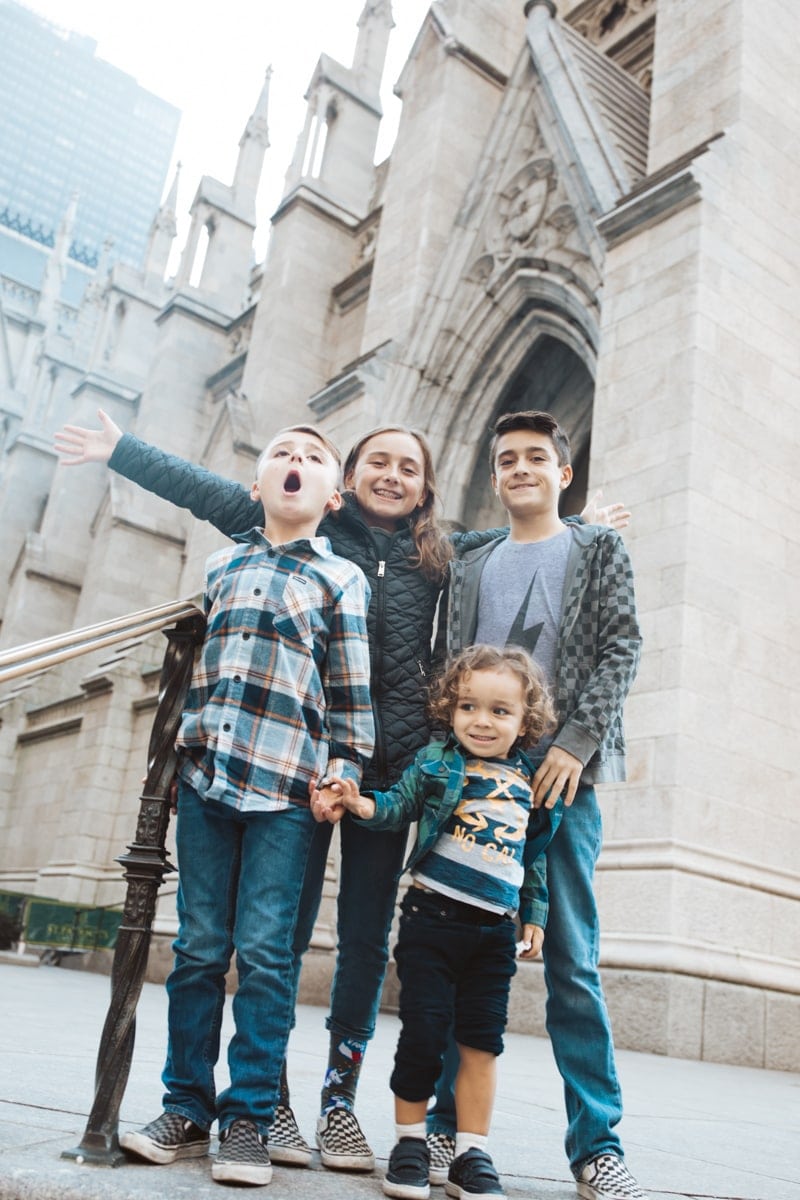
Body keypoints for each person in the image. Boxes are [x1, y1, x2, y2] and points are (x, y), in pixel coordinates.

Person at [54, 410, 629, 1179]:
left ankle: (338, 1101)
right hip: (300, 770)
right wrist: (121, 450)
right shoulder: (315, 534)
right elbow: (208, 491)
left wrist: (580, 523)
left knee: (364, 941)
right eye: (376, 463)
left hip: (393, 776)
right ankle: (269, 1101)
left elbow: (540, 540)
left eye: (409, 468)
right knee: (276, 938)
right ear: (343, 481)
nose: (391, 476)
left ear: (426, 490)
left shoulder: (443, 556)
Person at [118, 424, 374, 1187]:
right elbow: (204, 671)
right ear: (259, 484)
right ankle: (186, 1108)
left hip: (286, 797)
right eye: (281, 455)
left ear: (333, 497)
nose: (295, 463)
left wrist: (343, 771)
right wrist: (182, 756)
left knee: (265, 957)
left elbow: (350, 695)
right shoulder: (222, 563)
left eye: (313, 458)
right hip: (207, 784)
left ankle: (249, 1120)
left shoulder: (341, 580)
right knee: (198, 950)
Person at [431, 410, 645, 1200]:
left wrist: (574, 744)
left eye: (537, 458)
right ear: (495, 479)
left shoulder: (598, 548)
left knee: (572, 965)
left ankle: (598, 1147)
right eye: (507, 459)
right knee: (460, 958)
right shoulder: (469, 560)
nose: (521, 467)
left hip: (563, 783)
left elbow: (624, 644)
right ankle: (450, 1136)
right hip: (475, 783)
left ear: (564, 473)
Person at [312, 643, 562, 1200]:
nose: (483, 720)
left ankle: (472, 1152)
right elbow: (397, 808)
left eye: (501, 711)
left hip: (494, 932)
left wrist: (534, 914)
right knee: (423, 1034)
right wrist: (360, 804)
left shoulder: (529, 781)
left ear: (525, 722)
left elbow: (533, 853)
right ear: (450, 708)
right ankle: (408, 1143)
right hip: (432, 921)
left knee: (480, 1044)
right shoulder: (435, 762)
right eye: (469, 706)